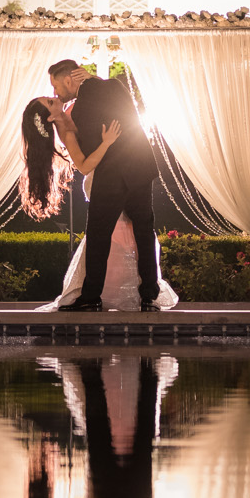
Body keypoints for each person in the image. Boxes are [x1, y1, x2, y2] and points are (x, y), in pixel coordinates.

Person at [18, 71, 178, 312]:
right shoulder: (66, 130)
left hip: (134, 168)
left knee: (144, 232)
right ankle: (92, 296)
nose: (54, 95)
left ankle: (149, 296)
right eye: (50, 101)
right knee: (98, 236)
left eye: (52, 94)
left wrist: (92, 78)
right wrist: (106, 142)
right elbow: (84, 165)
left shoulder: (78, 106)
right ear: (50, 117)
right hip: (107, 174)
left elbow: (112, 95)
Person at [53, 59, 162, 312]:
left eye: (57, 86)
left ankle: (92, 296)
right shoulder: (109, 88)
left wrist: (92, 80)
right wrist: (93, 79)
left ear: (70, 79)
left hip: (115, 174)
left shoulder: (84, 104)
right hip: (137, 168)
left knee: (100, 236)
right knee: (143, 233)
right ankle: (149, 297)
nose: (56, 93)